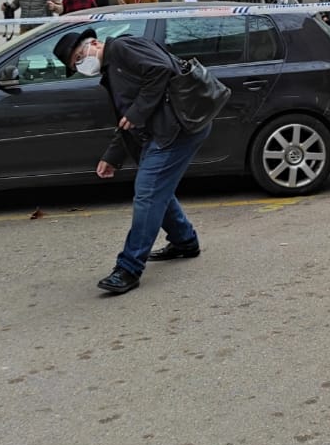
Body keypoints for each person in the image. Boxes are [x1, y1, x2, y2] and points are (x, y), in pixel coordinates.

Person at [54, 26, 213, 295]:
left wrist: (139, 111)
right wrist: (113, 157)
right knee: (156, 189)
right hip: (169, 129)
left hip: (179, 128)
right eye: (75, 64)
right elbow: (127, 120)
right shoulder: (111, 70)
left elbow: (161, 70)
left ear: (93, 43)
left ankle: (128, 268)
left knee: (149, 191)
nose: (82, 65)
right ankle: (184, 241)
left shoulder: (121, 49)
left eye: (80, 58)